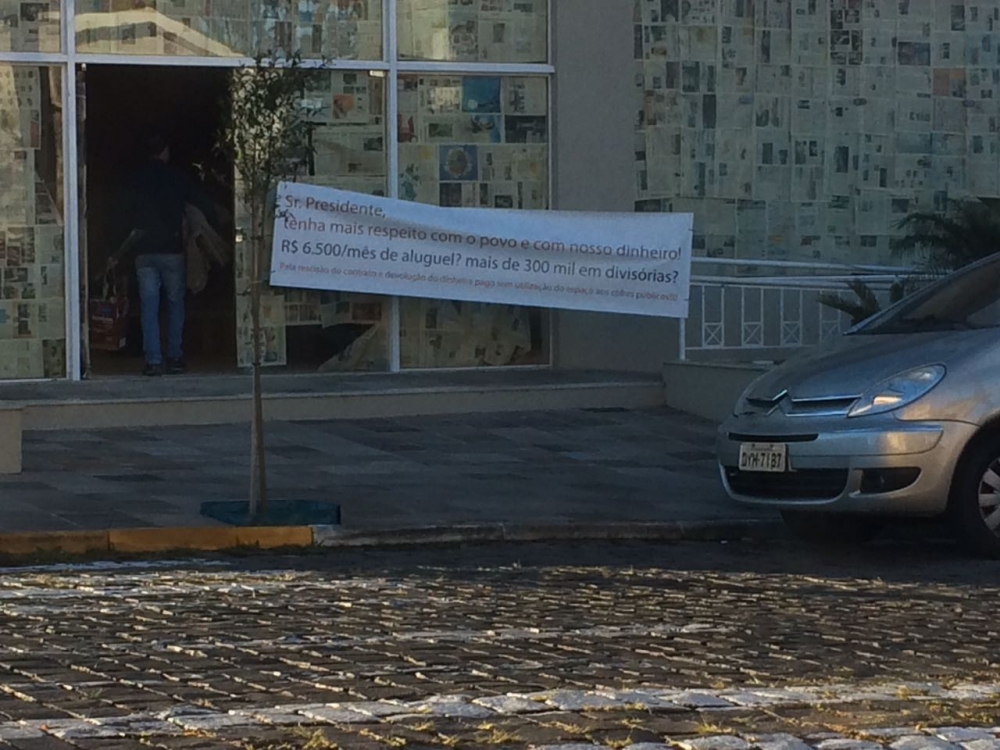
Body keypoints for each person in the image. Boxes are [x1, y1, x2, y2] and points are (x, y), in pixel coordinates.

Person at [109, 134, 215, 376]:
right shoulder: (176, 178)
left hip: (143, 251)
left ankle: (153, 361)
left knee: (149, 306)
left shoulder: (136, 179)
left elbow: (122, 214)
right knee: (176, 304)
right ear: (165, 151)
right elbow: (200, 202)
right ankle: (175, 357)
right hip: (172, 250)